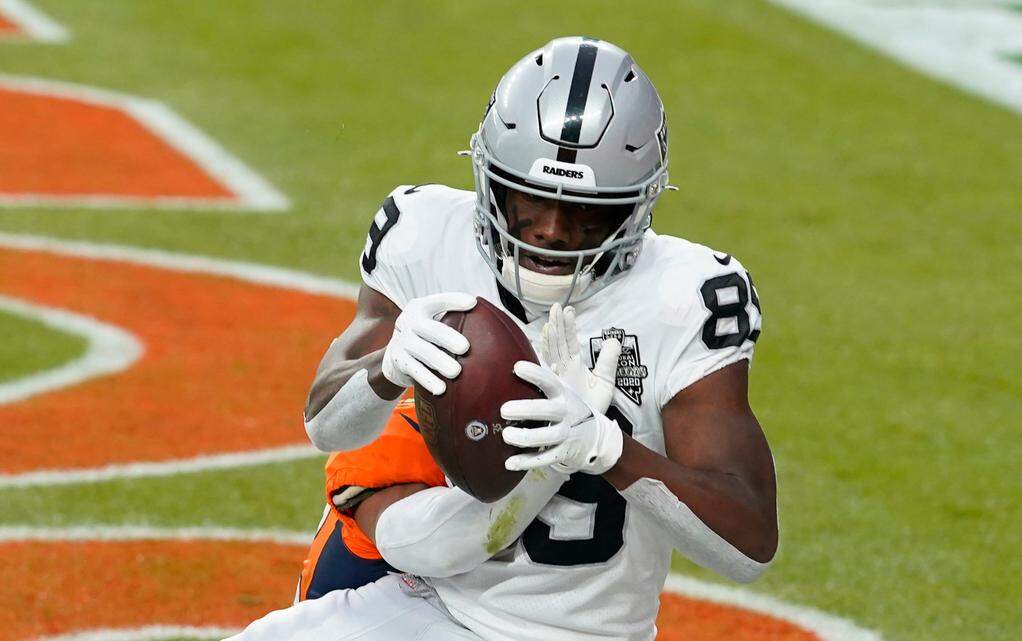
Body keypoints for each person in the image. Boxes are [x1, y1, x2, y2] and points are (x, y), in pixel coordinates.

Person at [229, 36, 777, 641]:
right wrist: (388, 366)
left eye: (588, 212)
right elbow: (327, 427)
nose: (550, 230)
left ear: (640, 205)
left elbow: (748, 546)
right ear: (488, 179)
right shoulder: (425, 235)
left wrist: (608, 449)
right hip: (429, 601)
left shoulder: (686, 295)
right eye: (530, 199)